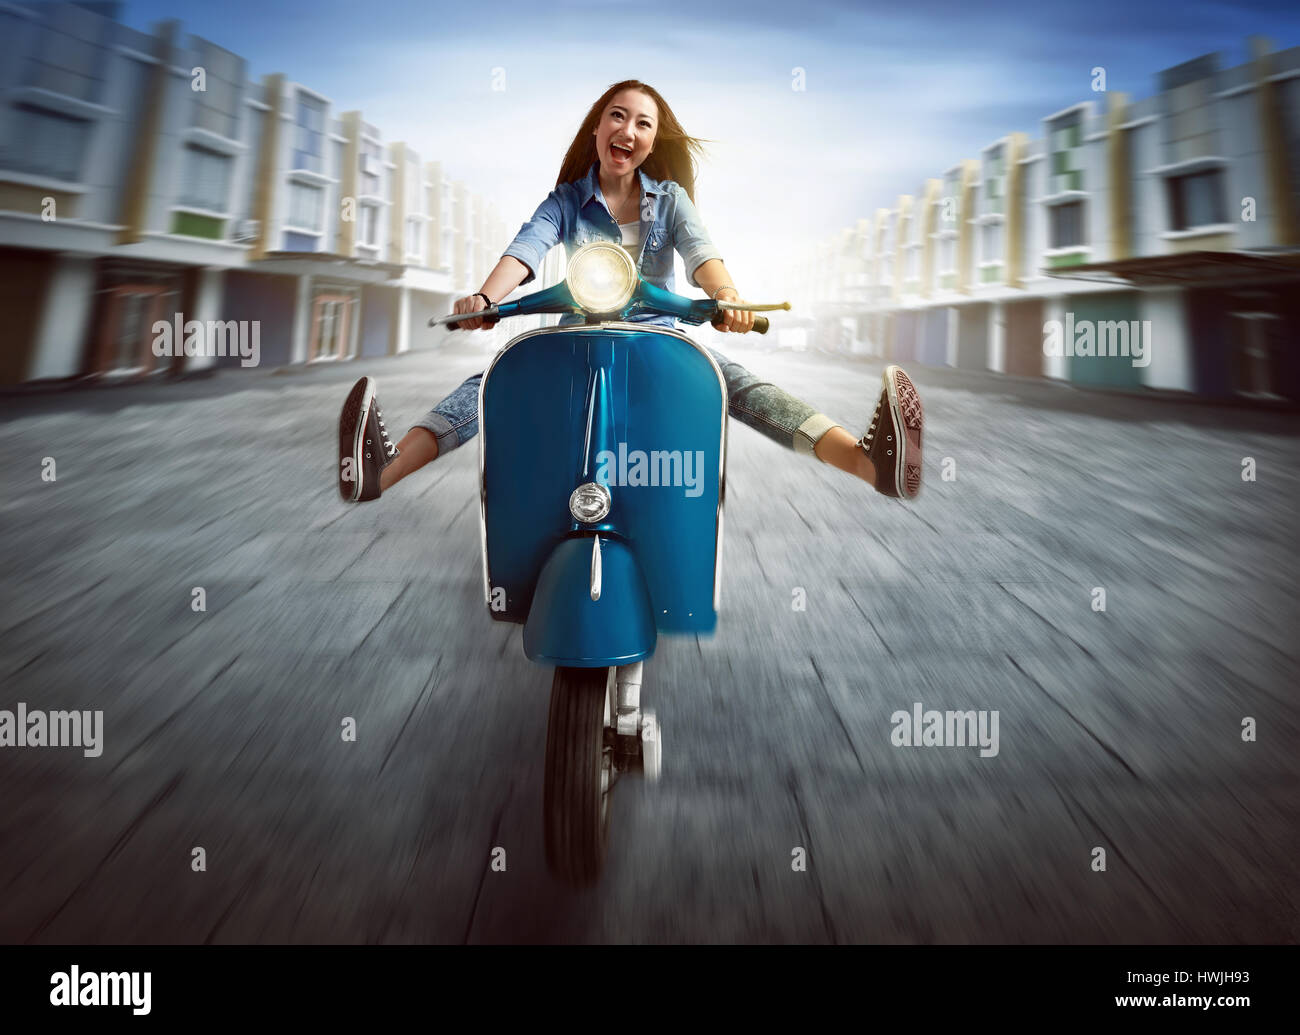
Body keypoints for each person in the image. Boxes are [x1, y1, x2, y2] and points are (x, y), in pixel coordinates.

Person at [337, 79, 923, 504]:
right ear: (598, 129)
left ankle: (871, 464)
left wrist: (729, 298)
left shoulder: (670, 200)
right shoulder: (565, 201)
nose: (630, 129)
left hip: (661, 336)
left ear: (651, 142)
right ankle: (379, 474)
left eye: (644, 123)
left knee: (739, 385)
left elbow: (704, 257)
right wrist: (484, 302)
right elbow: (524, 251)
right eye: (618, 116)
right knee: (488, 384)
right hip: (575, 337)